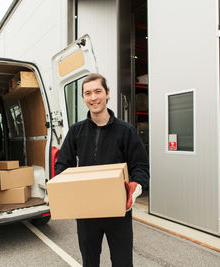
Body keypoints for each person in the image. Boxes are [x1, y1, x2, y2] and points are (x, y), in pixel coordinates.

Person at [54, 73, 149, 267]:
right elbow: (62, 166)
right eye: (88, 93)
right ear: (83, 98)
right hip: (87, 213)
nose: (93, 97)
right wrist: (65, 189)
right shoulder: (76, 131)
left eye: (98, 91)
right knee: (90, 263)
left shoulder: (126, 131)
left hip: (118, 211)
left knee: (123, 263)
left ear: (107, 93)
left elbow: (140, 166)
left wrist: (135, 187)